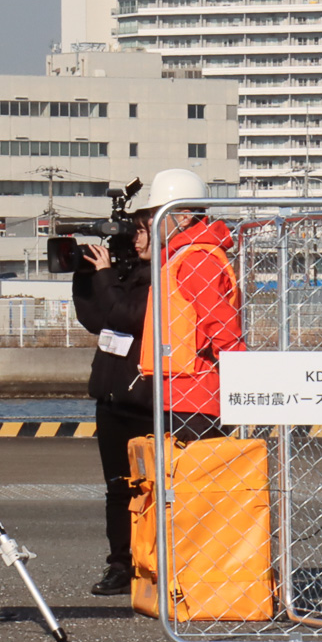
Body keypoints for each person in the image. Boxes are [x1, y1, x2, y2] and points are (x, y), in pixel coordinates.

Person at [71, 208, 153, 597]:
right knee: (117, 487)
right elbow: (96, 318)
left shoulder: (164, 276)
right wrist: (88, 273)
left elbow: (129, 316)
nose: (136, 240)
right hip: (112, 394)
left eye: (142, 232)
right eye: (133, 233)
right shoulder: (128, 273)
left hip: (149, 399)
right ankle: (121, 564)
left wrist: (106, 276)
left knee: (155, 487)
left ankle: (155, 561)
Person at [138, 168, 241, 442]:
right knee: (179, 480)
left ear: (183, 217)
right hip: (179, 392)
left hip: (197, 394)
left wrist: (241, 379)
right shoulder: (180, 257)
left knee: (194, 479)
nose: (150, 221)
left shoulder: (196, 259)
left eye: (157, 212)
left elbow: (222, 326)